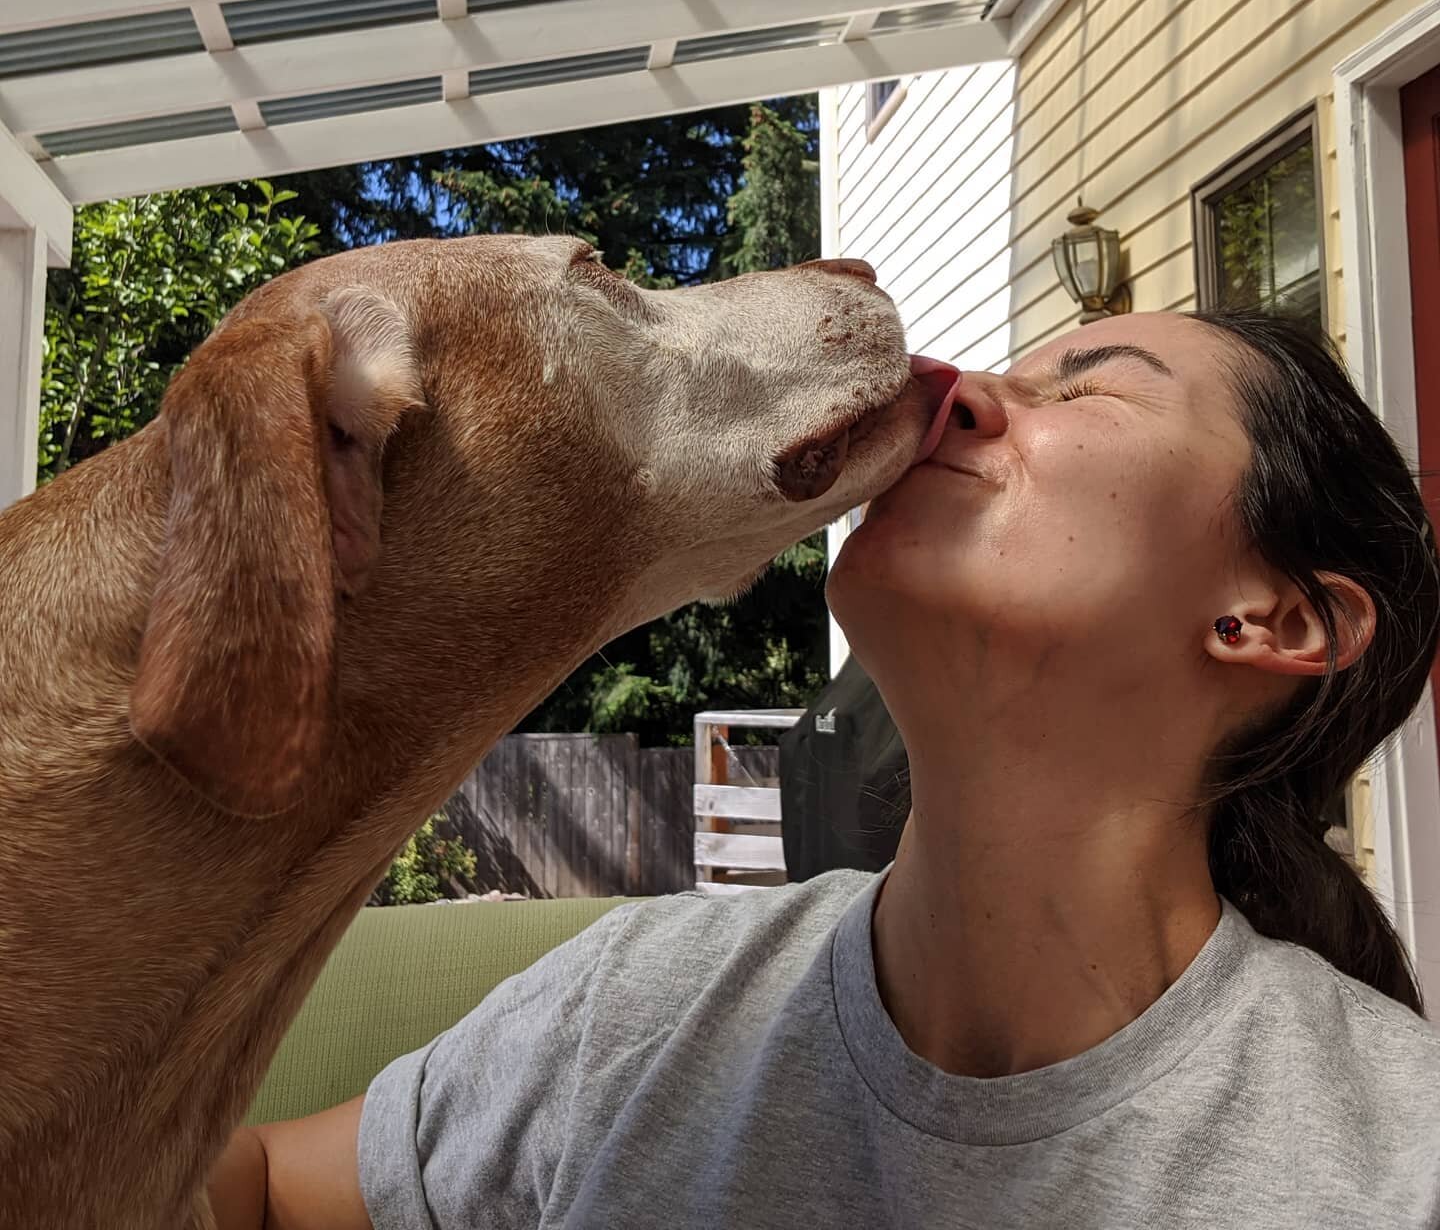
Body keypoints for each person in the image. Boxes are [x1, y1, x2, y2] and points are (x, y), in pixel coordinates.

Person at [212, 308, 1440, 1229]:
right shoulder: (646, 1009)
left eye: (1092, 386)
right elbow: (261, 1194)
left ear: (1273, 619)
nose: (952, 391)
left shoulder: (1397, 1160)